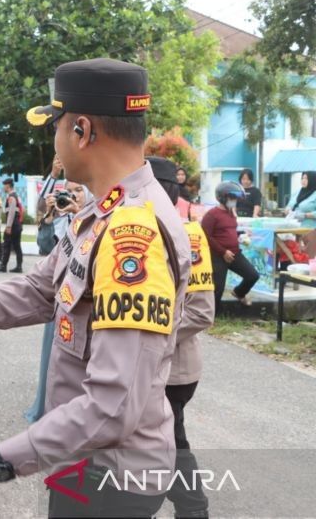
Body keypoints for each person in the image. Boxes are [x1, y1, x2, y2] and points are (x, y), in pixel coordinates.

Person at [0, 58, 191, 518]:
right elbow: (41, 289)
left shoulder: (133, 233)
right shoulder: (102, 211)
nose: (55, 139)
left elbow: (113, 404)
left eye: (57, 125)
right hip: (79, 457)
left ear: (82, 130)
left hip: (109, 475)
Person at [149, 156, 214, 518]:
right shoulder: (147, 229)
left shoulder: (189, 233)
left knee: (172, 445)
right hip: (153, 365)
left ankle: (194, 509)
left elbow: (202, 312)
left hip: (175, 369)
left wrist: (151, 336)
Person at [24, 176, 87, 424]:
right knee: (54, 358)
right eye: (68, 191)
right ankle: (51, 413)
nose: (72, 196)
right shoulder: (61, 221)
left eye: (78, 190)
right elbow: (43, 247)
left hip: (85, 304)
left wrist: (81, 213)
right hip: (61, 298)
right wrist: (50, 216)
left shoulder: (97, 219)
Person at [202, 181, 259, 311]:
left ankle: (239, 293)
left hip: (235, 253)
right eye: (232, 198)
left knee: (252, 275)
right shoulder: (212, 215)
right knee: (218, 288)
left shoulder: (231, 213)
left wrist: (242, 235)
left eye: (235, 198)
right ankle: (211, 316)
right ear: (223, 198)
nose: (234, 201)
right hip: (218, 255)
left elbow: (230, 231)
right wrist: (223, 252)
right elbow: (206, 236)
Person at [0, 177, 23, 273]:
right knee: (17, 246)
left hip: (13, 225)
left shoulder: (11, 197)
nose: (3, 188)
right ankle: (19, 266)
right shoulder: (16, 196)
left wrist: (8, 226)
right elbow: (22, 210)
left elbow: (11, 213)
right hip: (17, 224)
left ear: (8, 186)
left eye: (4, 186)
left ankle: (3, 266)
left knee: (7, 245)